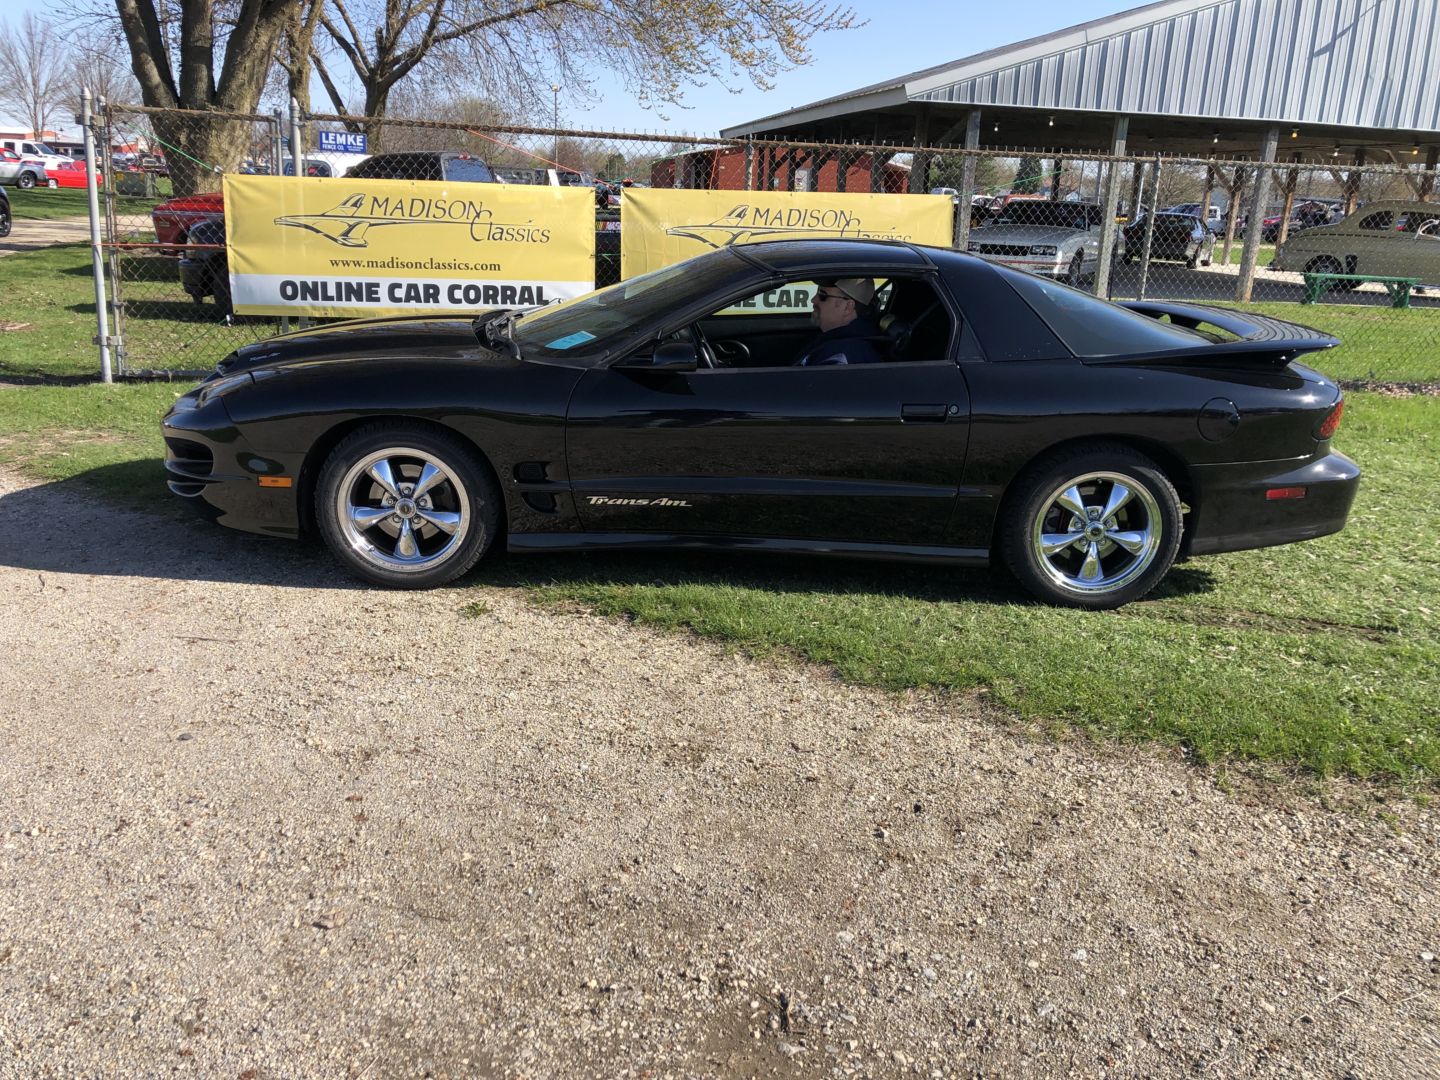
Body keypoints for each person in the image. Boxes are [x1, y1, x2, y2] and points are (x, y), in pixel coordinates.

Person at [793, 278, 882, 366]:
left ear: (847, 307)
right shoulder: (835, 340)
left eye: (822, 295)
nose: (813, 300)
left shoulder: (843, 357)